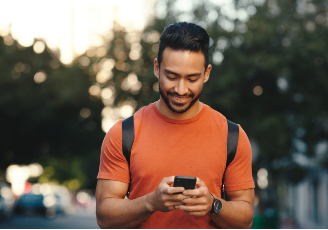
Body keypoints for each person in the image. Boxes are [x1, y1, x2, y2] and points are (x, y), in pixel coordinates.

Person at [96, 22, 255, 229]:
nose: (181, 89)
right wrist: (150, 202)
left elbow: (246, 219)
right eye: (171, 76)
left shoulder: (232, 135)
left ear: (206, 73)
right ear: (156, 68)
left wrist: (213, 204)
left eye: (192, 78)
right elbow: (104, 217)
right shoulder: (124, 133)